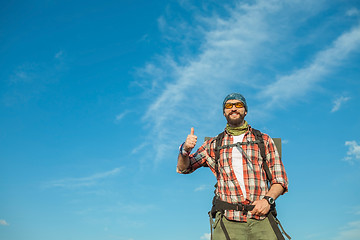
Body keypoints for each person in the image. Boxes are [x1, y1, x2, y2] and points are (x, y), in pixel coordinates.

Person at [177, 93, 289, 240]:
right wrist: (185, 150)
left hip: (261, 217)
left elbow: (280, 180)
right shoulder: (214, 144)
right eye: (229, 106)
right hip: (228, 220)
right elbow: (184, 168)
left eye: (239, 105)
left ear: (245, 111)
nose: (234, 108)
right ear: (224, 112)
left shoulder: (263, 140)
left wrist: (267, 200)